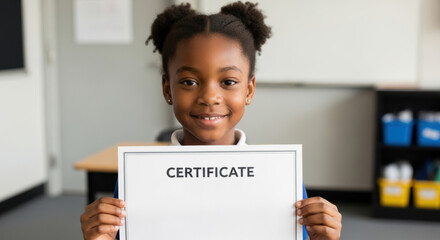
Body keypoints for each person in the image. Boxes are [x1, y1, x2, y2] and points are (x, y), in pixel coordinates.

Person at [80, 2, 342, 240]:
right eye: (189, 82)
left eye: (228, 82)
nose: (209, 97)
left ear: (249, 90)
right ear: (167, 89)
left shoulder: (281, 179)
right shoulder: (137, 181)